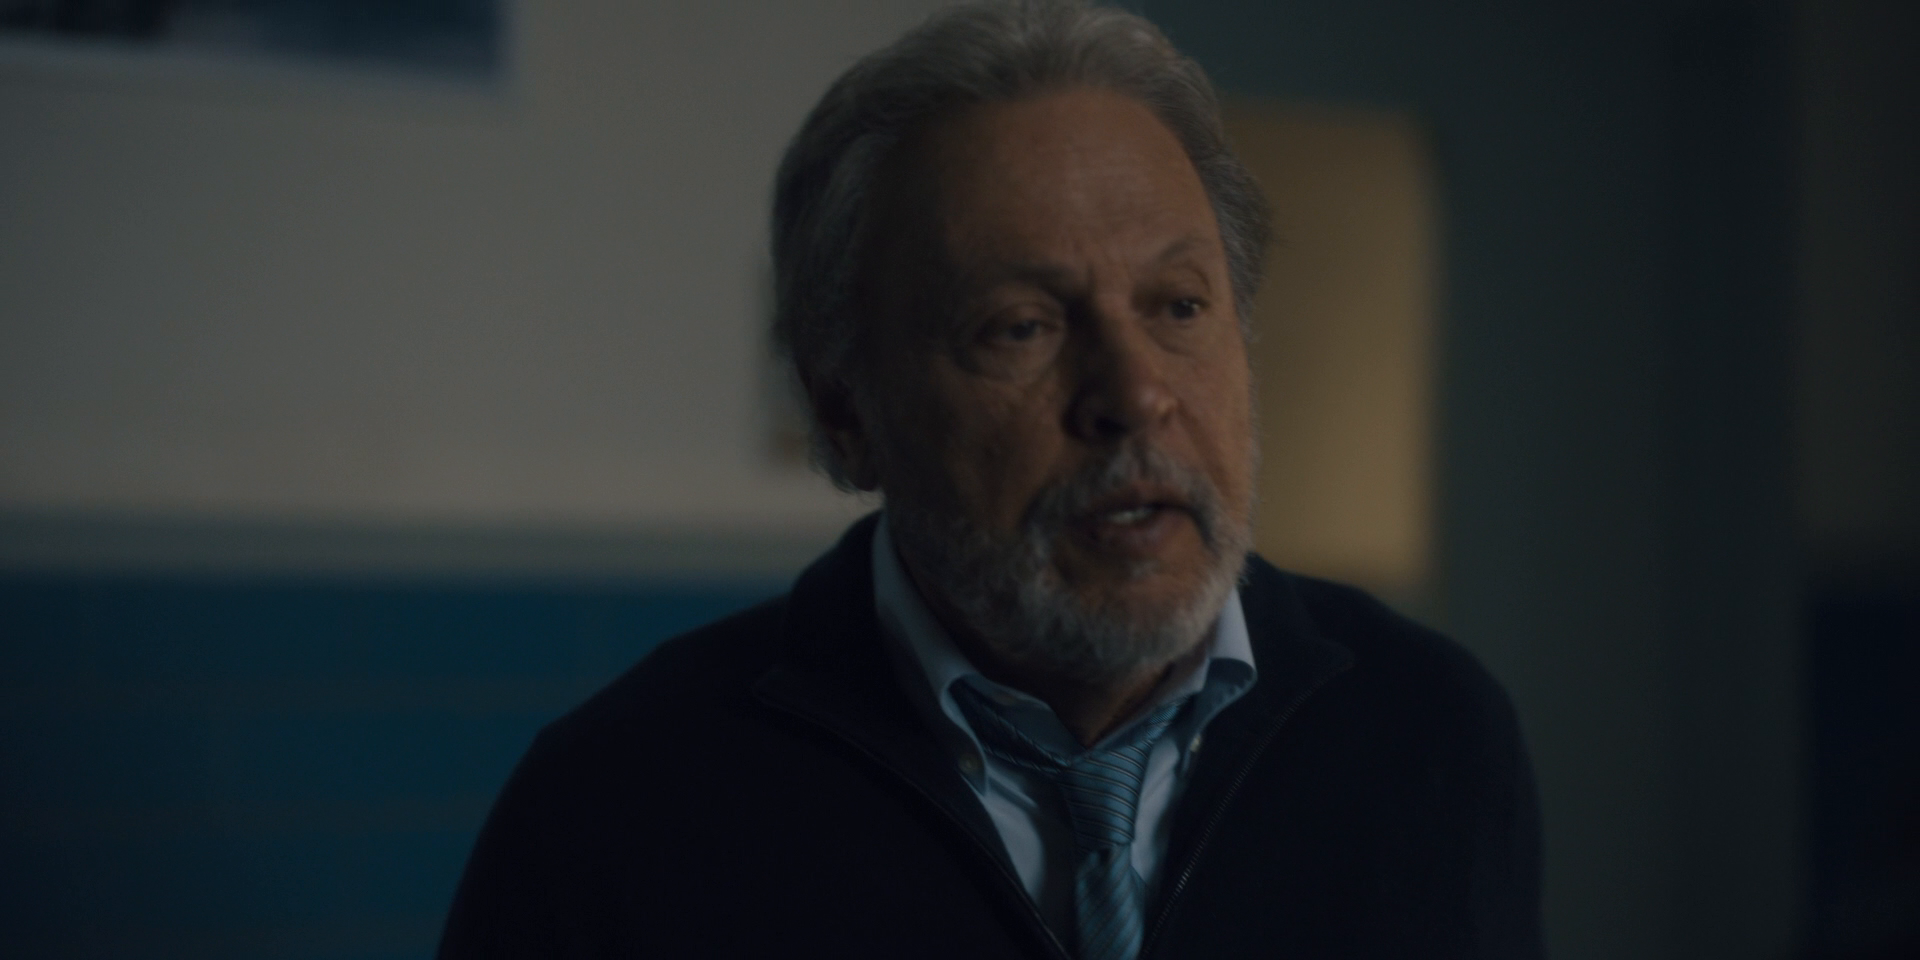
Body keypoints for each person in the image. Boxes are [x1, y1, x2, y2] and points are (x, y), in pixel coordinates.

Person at [437, 2, 1543, 957]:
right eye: (1020, 327)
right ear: (845, 410)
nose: (1133, 393)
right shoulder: (619, 808)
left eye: (1178, 306)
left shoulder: (1428, 733)